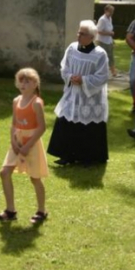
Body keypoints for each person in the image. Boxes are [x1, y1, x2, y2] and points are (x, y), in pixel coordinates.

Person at [48, 20, 110, 165]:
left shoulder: (100, 54)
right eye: (78, 32)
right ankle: (66, 155)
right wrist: (70, 77)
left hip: (90, 97)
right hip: (72, 93)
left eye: (82, 33)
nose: (78, 35)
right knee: (67, 121)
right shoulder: (72, 48)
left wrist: (84, 80)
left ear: (91, 36)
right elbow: (64, 67)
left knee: (88, 127)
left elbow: (103, 76)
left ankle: (87, 158)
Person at [0, 68, 49, 224]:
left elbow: (41, 127)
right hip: (17, 143)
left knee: (35, 178)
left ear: (35, 84)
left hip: (31, 143)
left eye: (27, 81)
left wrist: (28, 146)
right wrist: (13, 141)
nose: (23, 84)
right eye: (21, 80)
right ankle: (10, 210)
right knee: (4, 173)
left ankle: (41, 211)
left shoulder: (36, 102)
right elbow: (13, 124)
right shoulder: (16, 101)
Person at [96, 5, 118, 78]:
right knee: (103, 57)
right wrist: (109, 33)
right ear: (106, 11)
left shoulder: (110, 18)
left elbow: (110, 29)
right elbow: (98, 31)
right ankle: (101, 71)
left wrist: (112, 39)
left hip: (109, 41)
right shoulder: (102, 19)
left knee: (111, 56)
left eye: (112, 12)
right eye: (110, 11)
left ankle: (113, 71)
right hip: (102, 41)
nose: (111, 13)